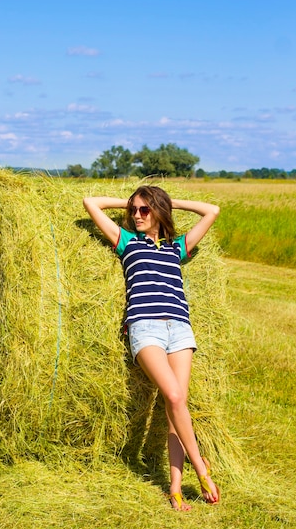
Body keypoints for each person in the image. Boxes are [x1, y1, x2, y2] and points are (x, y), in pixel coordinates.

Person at [83, 185, 221, 511]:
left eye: (145, 210)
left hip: (180, 329)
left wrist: (167, 203)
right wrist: (129, 200)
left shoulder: (177, 248)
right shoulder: (127, 242)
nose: (137, 215)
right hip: (146, 328)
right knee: (173, 396)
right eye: (134, 210)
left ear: (160, 211)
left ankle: (174, 488)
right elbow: (91, 202)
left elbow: (211, 210)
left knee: (176, 408)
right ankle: (200, 468)